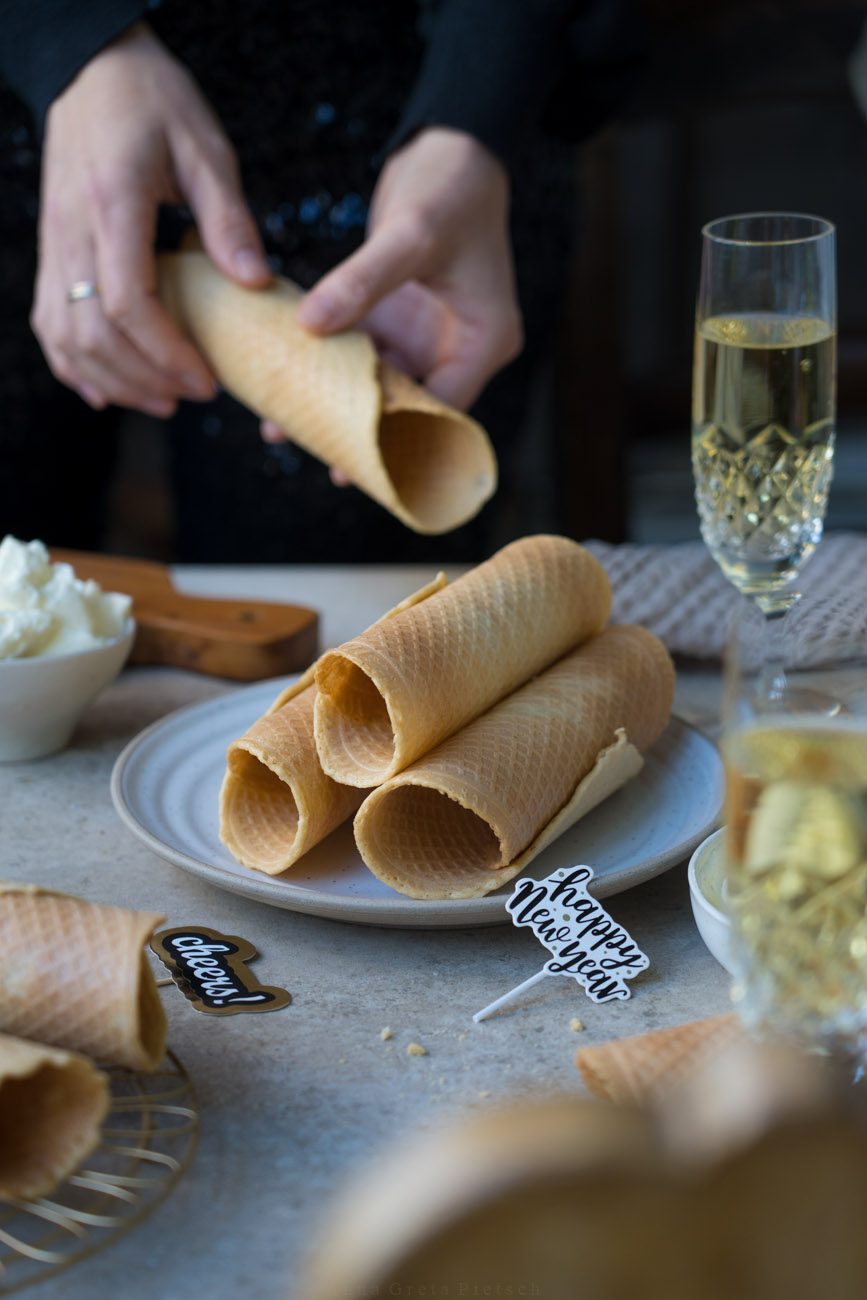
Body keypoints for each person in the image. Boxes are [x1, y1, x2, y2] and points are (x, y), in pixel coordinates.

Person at [0, 0, 646, 562]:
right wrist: (67, 38)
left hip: (410, 103)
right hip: (29, 99)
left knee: (337, 622)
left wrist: (471, 114)